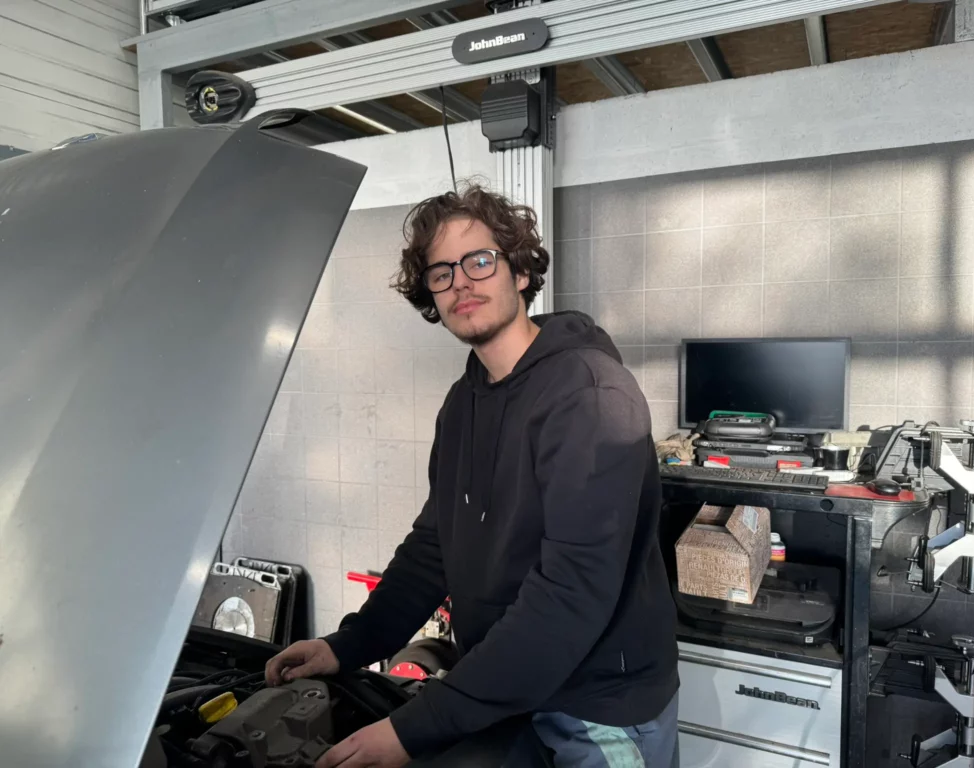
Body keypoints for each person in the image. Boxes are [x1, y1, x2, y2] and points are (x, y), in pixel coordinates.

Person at [266, 184, 680, 768]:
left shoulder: (589, 394)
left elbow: (571, 592)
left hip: (595, 710)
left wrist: (415, 729)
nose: (460, 282)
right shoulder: (463, 403)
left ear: (521, 272)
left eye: (479, 261)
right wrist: (349, 645)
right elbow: (435, 547)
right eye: (441, 272)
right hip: (507, 696)